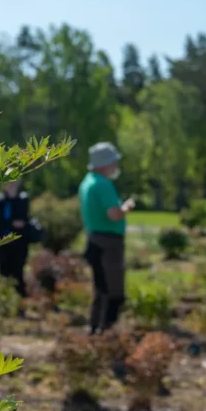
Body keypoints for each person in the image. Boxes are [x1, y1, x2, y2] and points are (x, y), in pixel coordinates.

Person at [79, 142, 134, 334]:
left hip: (94, 240)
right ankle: (107, 334)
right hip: (108, 244)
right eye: (113, 162)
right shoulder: (103, 184)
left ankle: (94, 329)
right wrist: (126, 207)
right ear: (104, 164)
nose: (116, 166)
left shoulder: (87, 182)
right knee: (113, 292)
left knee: (100, 290)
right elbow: (113, 214)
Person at [0, 181, 31, 297]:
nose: (12, 186)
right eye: (10, 183)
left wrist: (22, 224)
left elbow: (27, 219)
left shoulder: (23, 200)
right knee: (4, 272)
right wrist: (11, 223)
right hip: (4, 243)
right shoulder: (1, 201)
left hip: (20, 243)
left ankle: (20, 301)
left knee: (18, 272)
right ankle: (4, 298)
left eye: (14, 183)